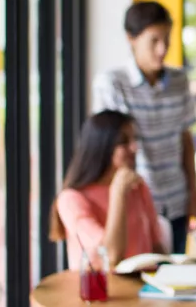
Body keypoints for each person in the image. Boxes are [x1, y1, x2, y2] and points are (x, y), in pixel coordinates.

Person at [92, 1, 196, 254]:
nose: (162, 49)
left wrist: (194, 197)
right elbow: (111, 149)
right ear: (131, 38)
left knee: (176, 282)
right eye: (154, 41)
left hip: (176, 202)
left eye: (167, 40)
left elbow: (186, 140)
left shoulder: (179, 81)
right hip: (134, 204)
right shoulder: (112, 83)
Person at [49, 110, 166, 269]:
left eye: (134, 139)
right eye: (123, 142)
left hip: (144, 287)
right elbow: (111, 256)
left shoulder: (138, 187)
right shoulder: (71, 199)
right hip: (101, 291)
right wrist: (118, 193)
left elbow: (157, 248)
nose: (134, 148)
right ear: (101, 146)